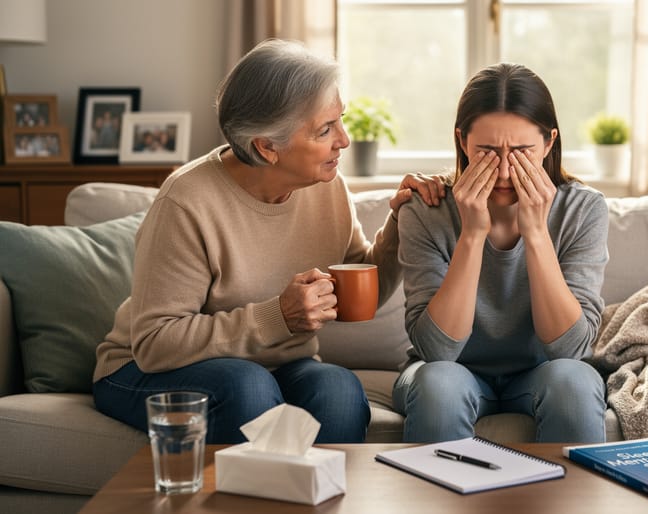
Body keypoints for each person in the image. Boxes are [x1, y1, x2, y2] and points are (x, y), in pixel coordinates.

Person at [92, 39, 444, 444]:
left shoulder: (327, 188)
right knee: (248, 386)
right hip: (142, 370)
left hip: (274, 367)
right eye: (325, 129)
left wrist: (401, 223)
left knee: (339, 392)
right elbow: (155, 343)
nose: (344, 140)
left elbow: (353, 296)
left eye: (340, 120)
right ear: (266, 147)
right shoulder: (186, 201)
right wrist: (278, 315)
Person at [392, 63, 609, 443]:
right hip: (449, 371)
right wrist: (473, 235)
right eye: (488, 153)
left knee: (574, 383)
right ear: (462, 142)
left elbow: (570, 349)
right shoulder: (425, 210)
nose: (506, 172)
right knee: (439, 384)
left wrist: (537, 233)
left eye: (523, 151)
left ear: (549, 142)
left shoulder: (584, 209)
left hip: (543, 372)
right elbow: (437, 350)